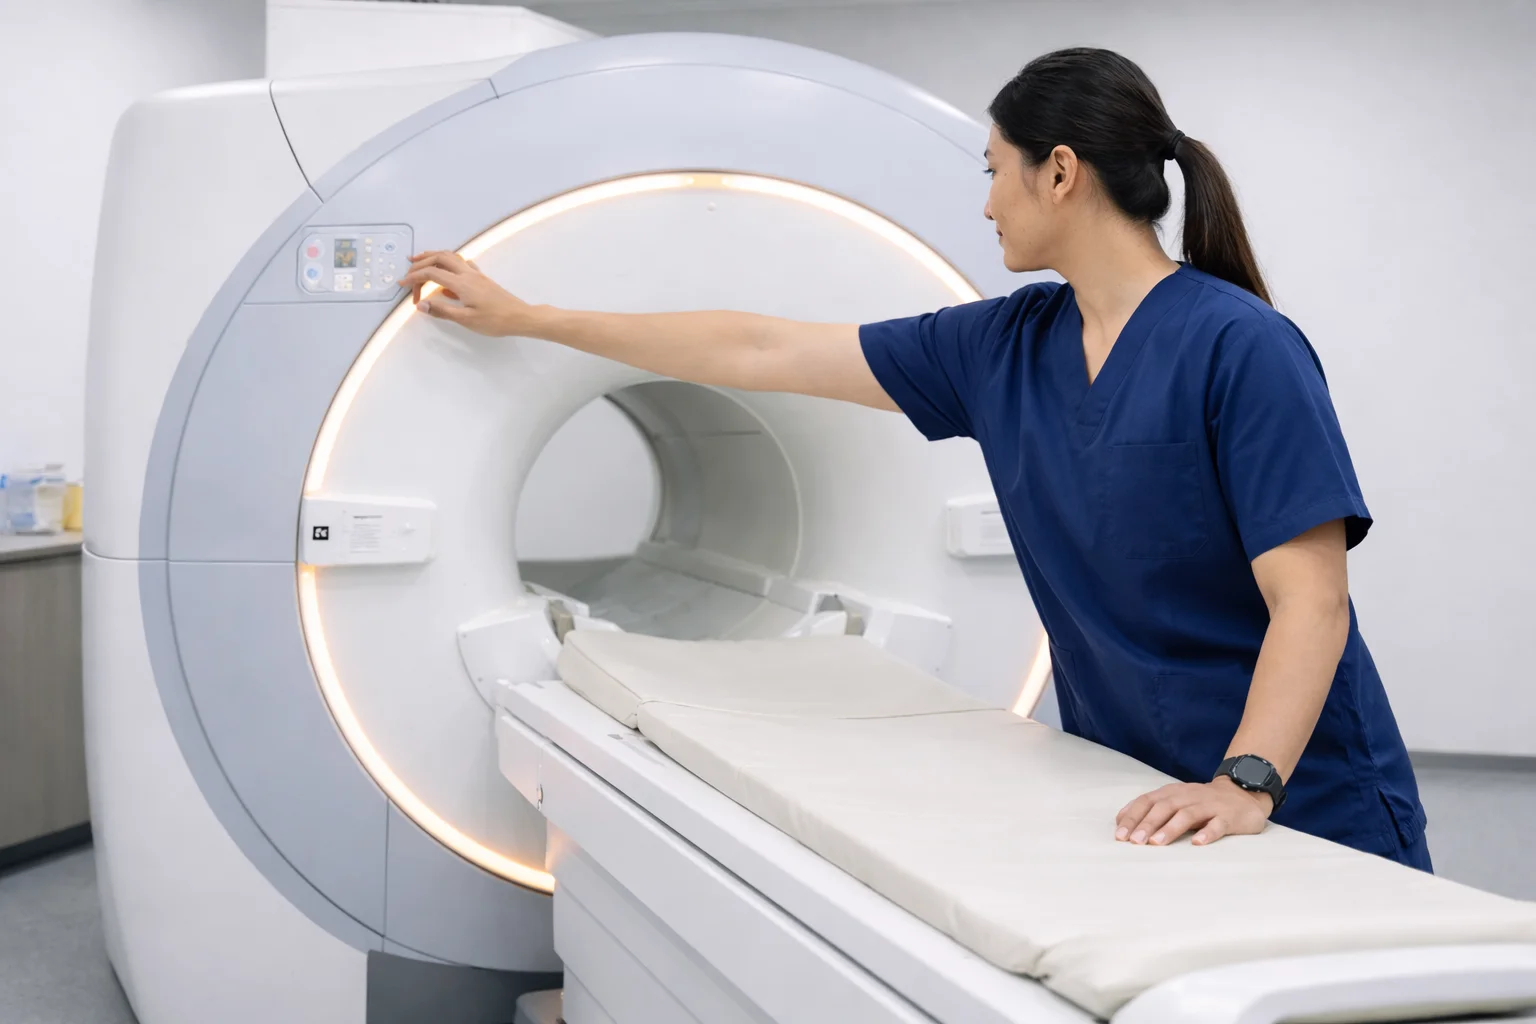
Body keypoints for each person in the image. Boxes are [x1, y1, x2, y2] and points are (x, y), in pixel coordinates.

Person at [399, 47, 1430, 869]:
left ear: (1058, 171)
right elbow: (759, 349)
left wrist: (1246, 783)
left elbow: (1311, 601)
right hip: (1135, 790)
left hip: (1297, 793)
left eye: (994, 171)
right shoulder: (1005, 345)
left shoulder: (1240, 345)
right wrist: (531, 318)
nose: (986, 203)